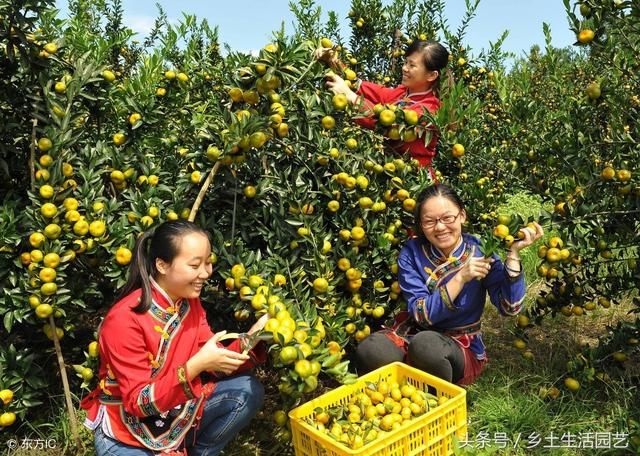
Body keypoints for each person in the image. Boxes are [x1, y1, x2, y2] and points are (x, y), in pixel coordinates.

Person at [81, 221, 268, 455]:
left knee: (246, 392)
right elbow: (138, 403)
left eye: (208, 262)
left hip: (177, 408)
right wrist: (197, 365)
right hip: (127, 431)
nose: (206, 273)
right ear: (161, 264)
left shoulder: (188, 303)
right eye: (195, 265)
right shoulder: (123, 320)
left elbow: (214, 359)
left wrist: (253, 337)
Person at [355, 184, 543, 385]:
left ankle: (435, 400)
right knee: (371, 349)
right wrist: (460, 278)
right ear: (420, 224)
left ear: (462, 215)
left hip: (456, 345)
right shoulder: (412, 252)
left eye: (448, 218)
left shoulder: (480, 252)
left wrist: (513, 255)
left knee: (427, 347)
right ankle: (400, 393)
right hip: (412, 334)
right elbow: (420, 315)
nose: (440, 227)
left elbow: (510, 308)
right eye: (430, 221)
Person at [317, 39, 451, 169]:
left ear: (432, 75)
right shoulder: (403, 93)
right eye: (405, 62)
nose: (404, 68)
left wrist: (351, 97)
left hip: (414, 178)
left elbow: (388, 125)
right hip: (391, 171)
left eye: (412, 65)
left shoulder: (430, 109)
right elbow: (366, 88)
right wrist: (333, 61)